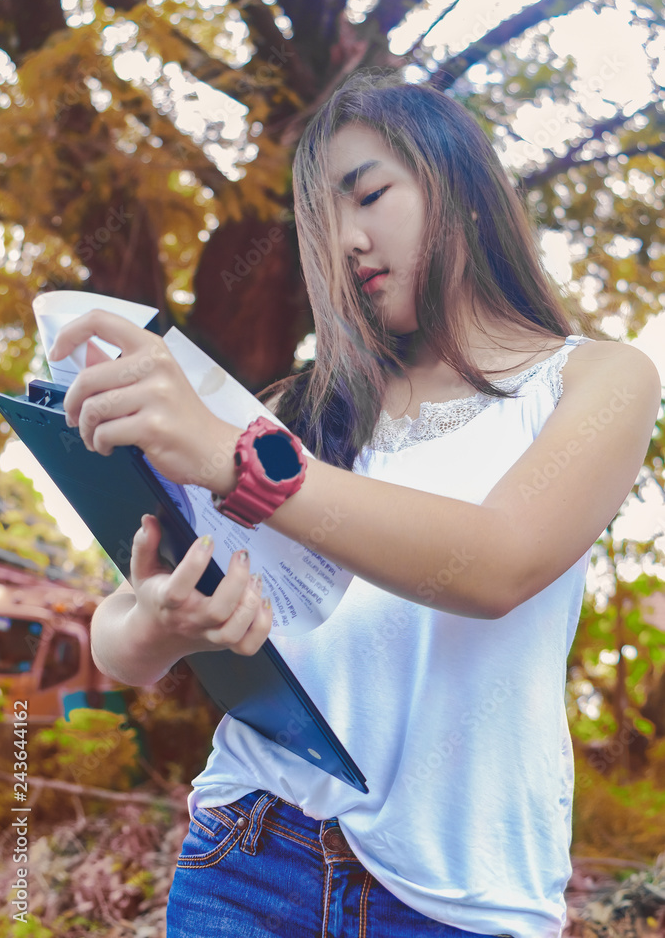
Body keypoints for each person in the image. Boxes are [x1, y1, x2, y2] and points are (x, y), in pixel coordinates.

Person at [48, 70, 662, 938]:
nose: (345, 241)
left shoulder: (594, 378)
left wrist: (241, 462)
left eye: (369, 194)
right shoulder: (299, 410)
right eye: (321, 226)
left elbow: (496, 562)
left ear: (460, 183)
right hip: (248, 856)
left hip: (458, 902)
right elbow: (120, 646)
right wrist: (163, 617)